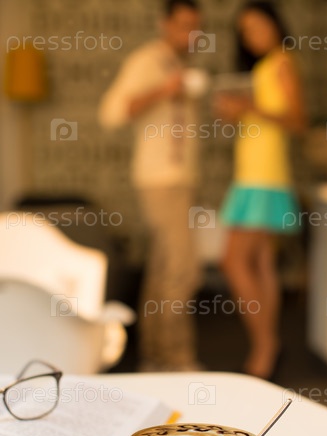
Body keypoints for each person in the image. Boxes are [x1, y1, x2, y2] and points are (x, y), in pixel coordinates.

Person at [98, 0, 206, 372]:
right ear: (165, 24)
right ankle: (177, 358)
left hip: (181, 181)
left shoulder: (179, 65)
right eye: (184, 25)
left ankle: (155, 357)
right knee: (183, 270)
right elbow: (112, 112)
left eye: (196, 27)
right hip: (161, 182)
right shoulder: (147, 61)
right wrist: (163, 90)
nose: (192, 34)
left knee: (163, 271)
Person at [215, 1, 307, 379]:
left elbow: (298, 120)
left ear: (275, 24)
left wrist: (251, 107)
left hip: (263, 177)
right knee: (262, 263)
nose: (253, 36)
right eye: (245, 31)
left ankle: (265, 346)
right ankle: (268, 349)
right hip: (254, 174)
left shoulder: (282, 62)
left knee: (233, 261)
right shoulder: (263, 68)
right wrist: (237, 112)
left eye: (258, 26)